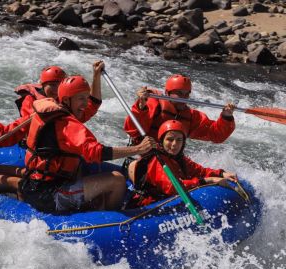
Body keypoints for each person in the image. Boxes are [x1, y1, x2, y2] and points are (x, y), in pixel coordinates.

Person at [19, 75, 156, 213]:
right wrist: (138, 149)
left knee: (85, 166)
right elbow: (97, 153)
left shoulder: (60, 111)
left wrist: (96, 74)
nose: (85, 104)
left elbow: (93, 104)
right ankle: (109, 222)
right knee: (118, 180)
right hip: (50, 195)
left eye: (86, 97)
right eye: (81, 99)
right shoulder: (66, 123)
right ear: (67, 100)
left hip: (37, 185)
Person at [127, 120, 237, 207]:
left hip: (166, 200)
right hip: (149, 205)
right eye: (170, 139)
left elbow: (200, 171)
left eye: (179, 140)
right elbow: (172, 187)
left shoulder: (180, 158)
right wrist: (207, 180)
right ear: (162, 141)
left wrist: (221, 174)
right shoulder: (157, 160)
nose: (175, 144)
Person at [123, 74, 236, 144]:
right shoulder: (153, 103)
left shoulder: (192, 116)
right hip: (145, 154)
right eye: (179, 93)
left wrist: (226, 116)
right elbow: (132, 130)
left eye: (187, 94)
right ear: (167, 93)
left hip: (170, 157)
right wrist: (140, 106)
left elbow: (216, 136)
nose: (184, 98)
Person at [14, 61, 105, 121]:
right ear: (42, 85)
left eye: (59, 86)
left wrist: (96, 75)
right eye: (52, 85)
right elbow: (30, 122)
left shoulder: (65, 102)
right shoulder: (30, 99)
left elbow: (93, 104)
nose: (56, 90)